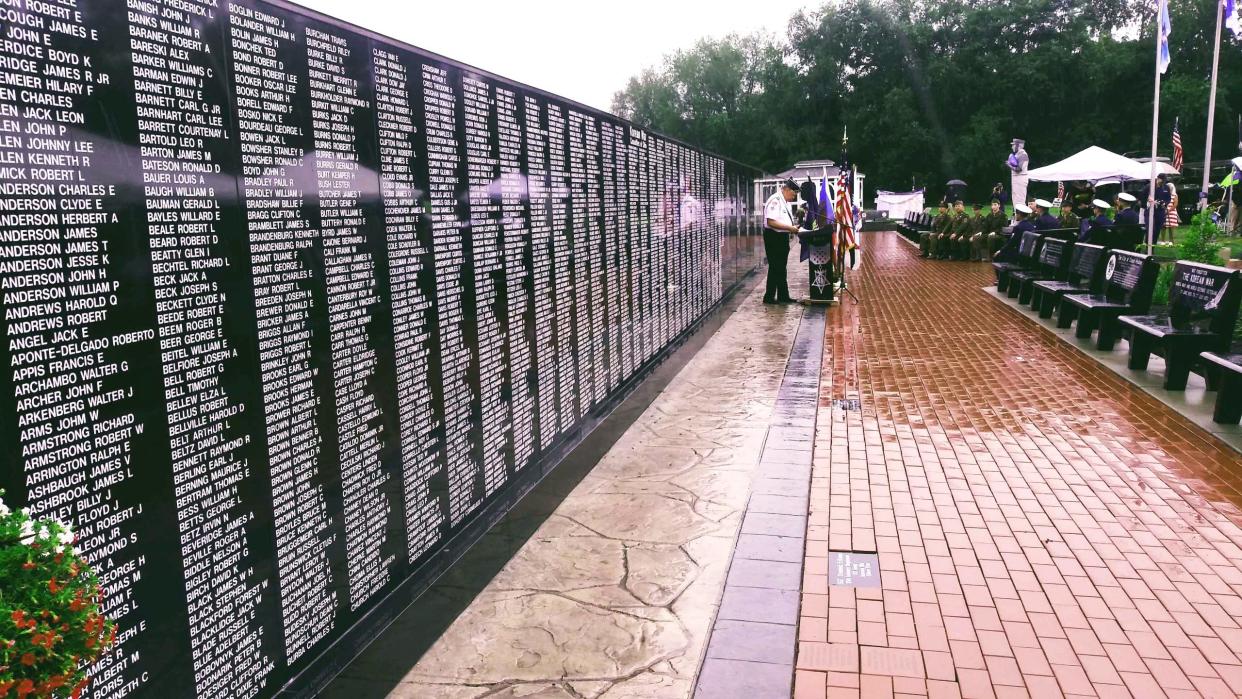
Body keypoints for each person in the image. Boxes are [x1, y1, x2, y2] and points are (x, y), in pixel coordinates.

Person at [763, 179, 799, 304]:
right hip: (774, 237)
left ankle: (783, 296)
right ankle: (769, 297)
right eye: (793, 194)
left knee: (781, 267)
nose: (794, 197)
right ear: (786, 189)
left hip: (782, 237)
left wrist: (792, 227)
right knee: (775, 267)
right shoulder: (775, 201)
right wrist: (790, 228)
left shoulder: (785, 202)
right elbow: (771, 222)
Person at [1006, 138, 1030, 221]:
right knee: (1015, 201)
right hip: (1016, 179)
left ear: (1018, 145)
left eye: (1013, 145)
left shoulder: (1023, 154)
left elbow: (1019, 169)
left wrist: (1009, 165)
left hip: (1020, 178)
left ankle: (1021, 220)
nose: (1012, 147)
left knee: (1020, 201)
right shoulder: (1017, 154)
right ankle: (1017, 219)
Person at [1162, 178, 1180, 243]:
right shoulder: (1164, 194)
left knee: (1171, 227)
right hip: (1164, 212)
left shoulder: (1175, 195)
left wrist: (1168, 210)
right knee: (1163, 227)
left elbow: (1175, 204)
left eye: (1170, 187)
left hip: (1172, 213)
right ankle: (1163, 241)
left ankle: (1171, 241)